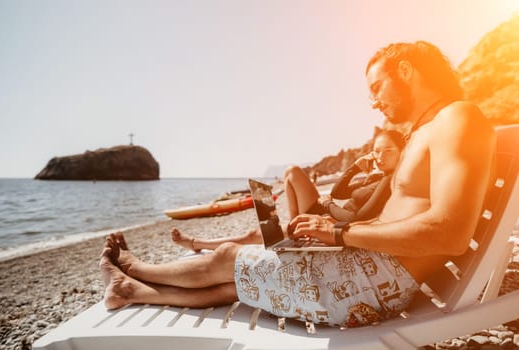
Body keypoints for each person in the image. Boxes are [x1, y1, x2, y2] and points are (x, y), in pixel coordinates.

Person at [99, 41, 495, 328]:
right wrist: (334, 236)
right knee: (244, 279)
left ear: (406, 71)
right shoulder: (427, 129)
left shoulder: (457, 119)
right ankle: (129, 291)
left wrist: (340, 233)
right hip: (372, 274)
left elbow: (451, 233)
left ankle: (135, 268)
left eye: (377, 87)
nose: (374, 102)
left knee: (226, 258)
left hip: (371, 284)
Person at [171, 129, 405, 252]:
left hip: (334, 223)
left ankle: (197, 243)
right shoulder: (378, 175)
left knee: (253, 236)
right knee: (292, 171)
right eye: (377, 151)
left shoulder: (390, 181)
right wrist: (355, 167)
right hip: (328, 214)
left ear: (401, 152)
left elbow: (358, 217)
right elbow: (340, 191)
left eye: (387, 151)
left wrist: (326, 205)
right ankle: (293, 229)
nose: (380, 156)